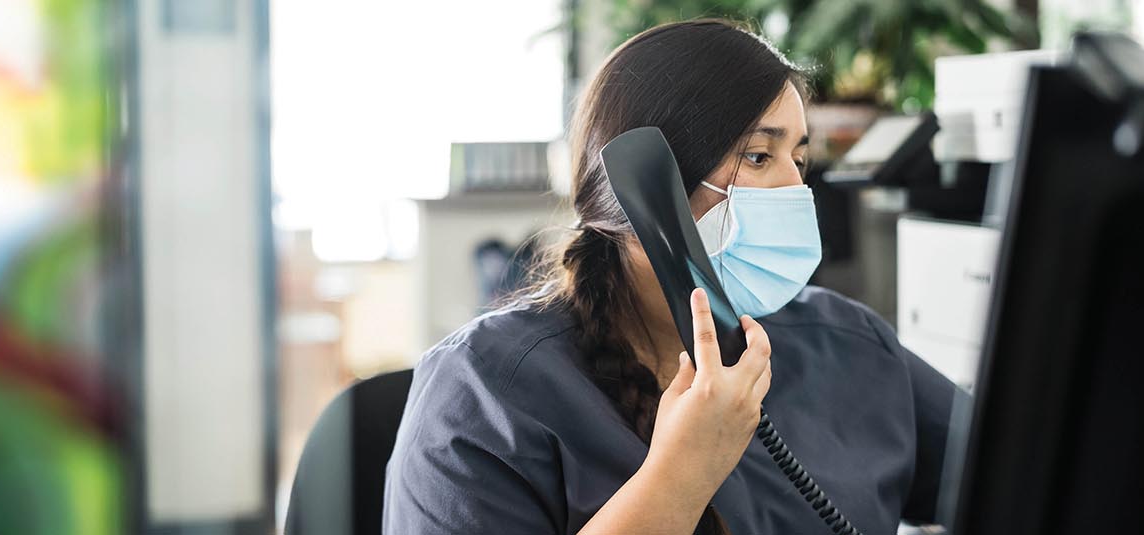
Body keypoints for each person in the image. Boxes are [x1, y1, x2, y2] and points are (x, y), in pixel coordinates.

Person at [383, 19, 962, 535]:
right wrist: (682, 473)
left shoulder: (848, 343)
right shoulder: (482, 393)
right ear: (647, 189)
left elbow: (1021, 476)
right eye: (759, 157)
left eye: (800, 161)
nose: (796, 191)